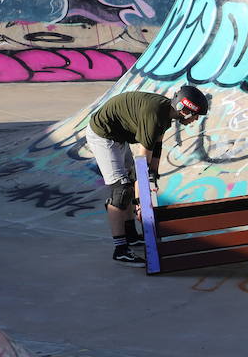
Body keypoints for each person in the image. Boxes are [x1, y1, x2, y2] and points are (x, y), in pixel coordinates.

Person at [83, 84, 209, 265]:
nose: (196, 120)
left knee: (132, 182)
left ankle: (132, 236)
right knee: (122, 190)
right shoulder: (155, 116)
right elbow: (142, 162)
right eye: (195, 115)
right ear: (185, 110)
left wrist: (153, 177)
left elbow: (156, 147)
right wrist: (140, 202)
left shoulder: (166, 113)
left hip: (119, 136)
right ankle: (120, 250)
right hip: (103, 135)